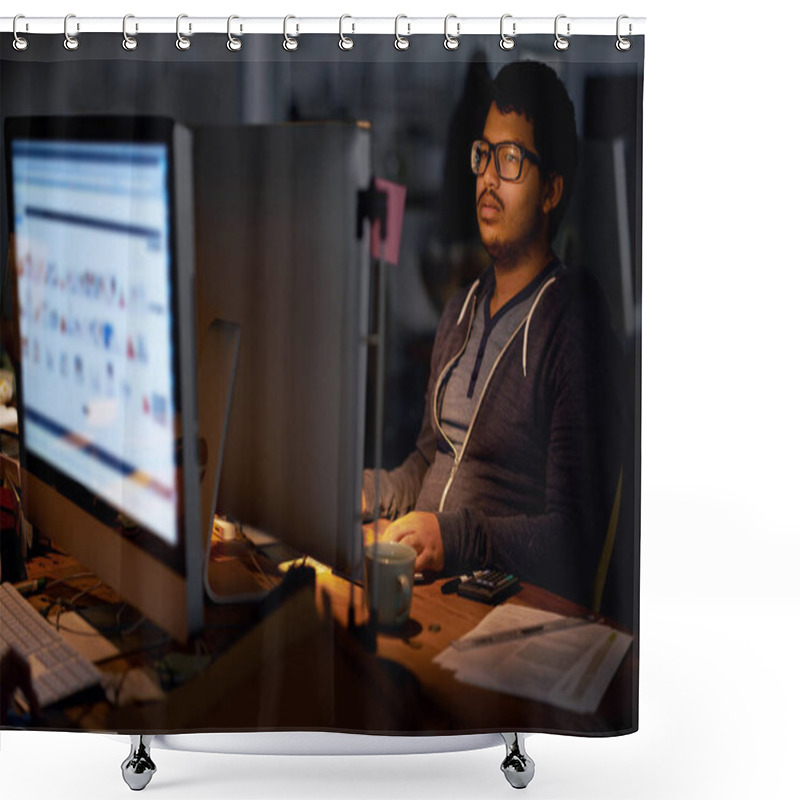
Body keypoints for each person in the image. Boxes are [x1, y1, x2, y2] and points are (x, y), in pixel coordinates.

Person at [362, 61, 624, 607]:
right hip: (430, 586)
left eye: (511, 160)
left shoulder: (571, 317)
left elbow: (575, 539)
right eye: (484, 155)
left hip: (500, 613)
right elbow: (431, 460)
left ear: (551, 190)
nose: (487, 177)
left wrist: (455, 538)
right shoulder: (461, 309)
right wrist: (376, 491)